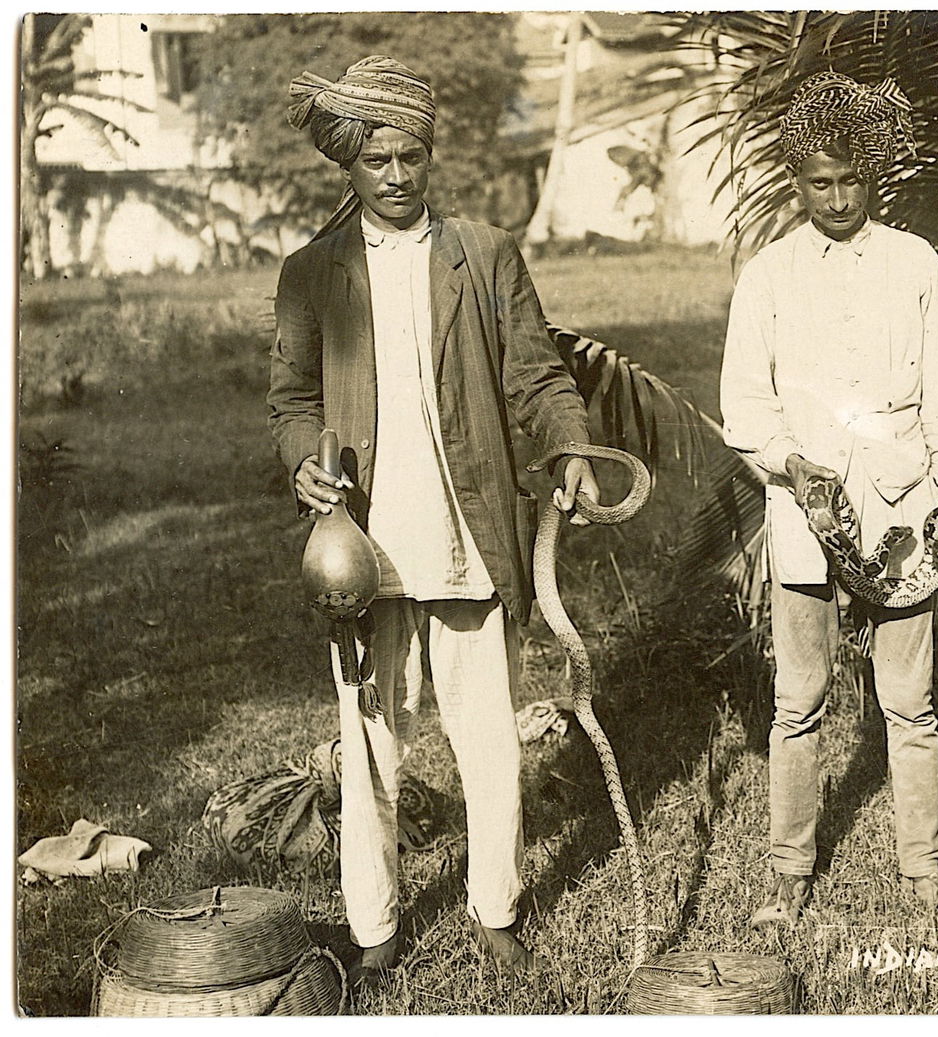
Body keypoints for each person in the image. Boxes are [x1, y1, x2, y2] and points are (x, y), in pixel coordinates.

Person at [266, 56, 598, 982]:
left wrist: (568, 444)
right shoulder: (312, 273)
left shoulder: (484, 255)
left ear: (430, 156)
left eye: (412, 156)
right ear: (351, 166)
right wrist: (304, 465)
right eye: (379, 161)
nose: (398, 176)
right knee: (371, 741)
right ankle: (374, 928)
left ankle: (496, 908)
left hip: (471, 536)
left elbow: (536, 376)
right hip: (364, 550)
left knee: (488, 733)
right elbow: (290, 398)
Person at [719, 72, 938, 927]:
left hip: (904, 508)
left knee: (910, 700)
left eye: (851, 179)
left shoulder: (913, 263)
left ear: (874, 175)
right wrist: (793, 468)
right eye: (817, 181)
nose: (836, 198)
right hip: (809, 512)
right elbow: (745, 406)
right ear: (794, 181)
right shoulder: (767, 275)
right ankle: (788, 871)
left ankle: (921, 869)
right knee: (798, 700)